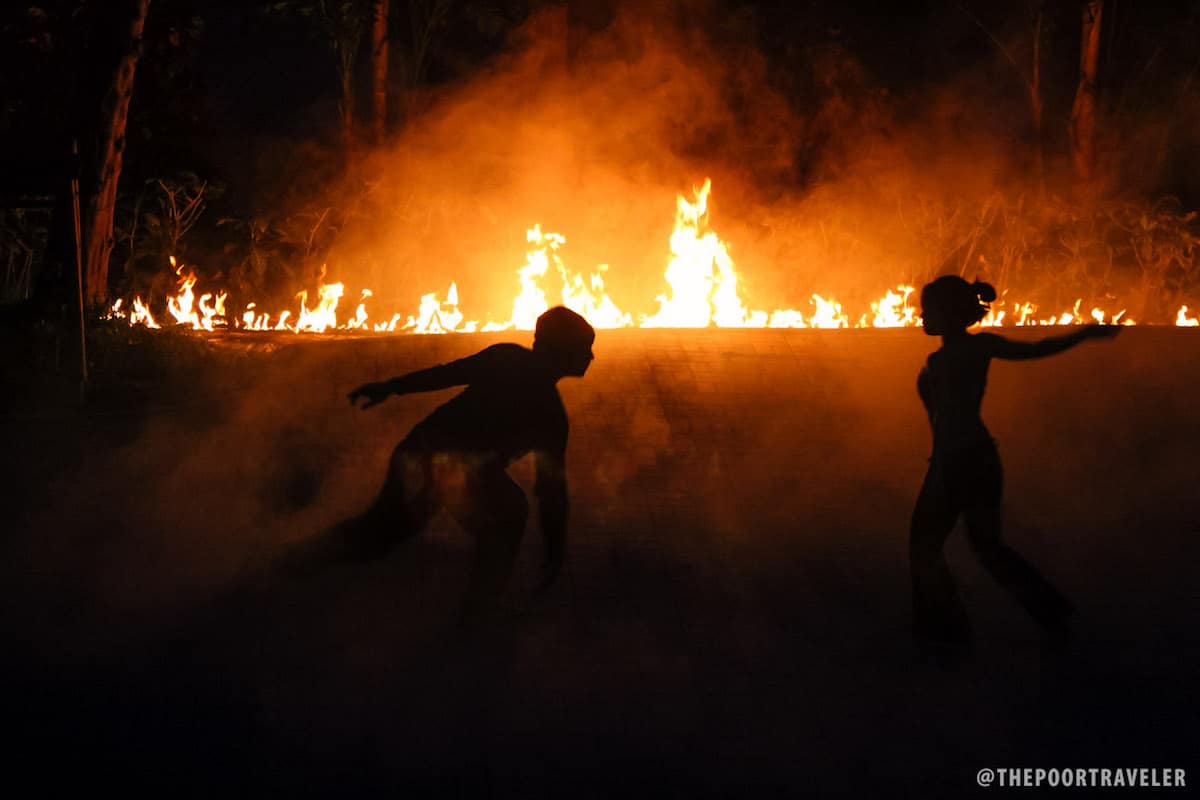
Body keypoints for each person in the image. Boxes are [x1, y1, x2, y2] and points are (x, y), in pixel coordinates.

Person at [279, 306, 595, 620]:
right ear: (561, 351)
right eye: (584, 348)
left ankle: (476, 615)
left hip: (449, 463)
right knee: (378, 536)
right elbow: (446, 375)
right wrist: (555, 550)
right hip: (428, 457)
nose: (590, 357)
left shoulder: (526, 384)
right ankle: (287, 565)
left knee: (499, 517)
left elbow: (551, 490)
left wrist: (390, 388)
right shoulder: (531, 391)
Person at [909, 276, 1119, 648]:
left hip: (961, 462)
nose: (921, 316)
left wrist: (1083, 334)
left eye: (930, 309)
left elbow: (1035, 349)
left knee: (930, 544)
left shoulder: (973, 349)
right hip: (967, 458)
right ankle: (1045, 615)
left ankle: (946, 629)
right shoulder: (940, 359)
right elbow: (943, 419)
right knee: (981, 545)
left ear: (953, 313)